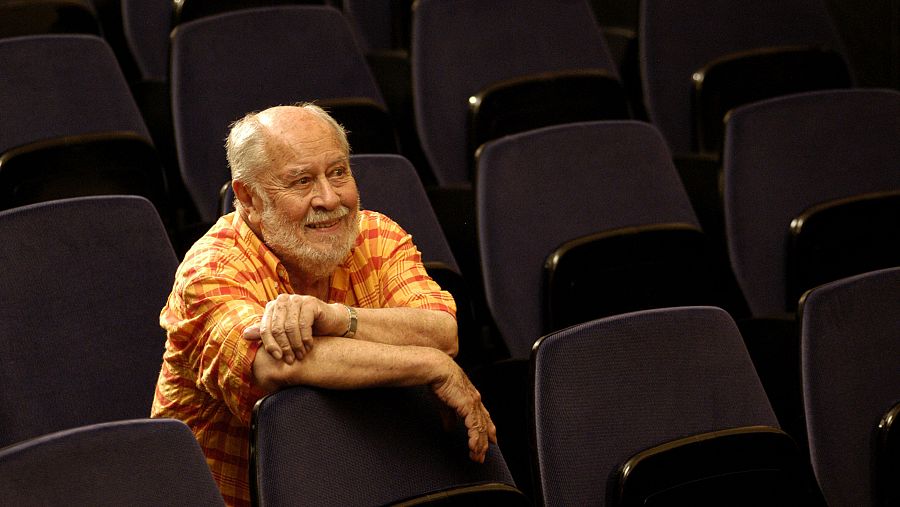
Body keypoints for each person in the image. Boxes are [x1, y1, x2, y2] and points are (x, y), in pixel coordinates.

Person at [151, 103, 497, 506]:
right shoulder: (210, 268)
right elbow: (273, 366)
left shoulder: (375, 234)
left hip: (354, 486)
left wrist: (335, 318)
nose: (330, 199)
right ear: (249, 198)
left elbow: (441, 330)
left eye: (338, 173)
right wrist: (429, 365)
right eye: (301, 181)